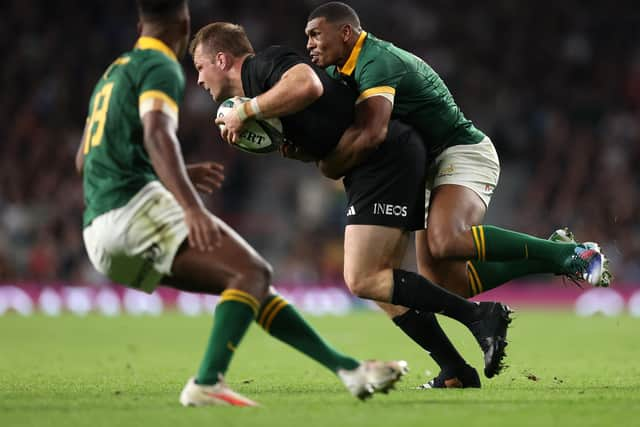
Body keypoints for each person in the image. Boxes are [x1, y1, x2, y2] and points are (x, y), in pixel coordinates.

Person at [76, 0, 409, 407]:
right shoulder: (159, 65)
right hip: (133, 212)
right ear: (182, 21)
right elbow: (158, 135)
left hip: (99, 232)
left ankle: (350, 371)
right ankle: (206, 382)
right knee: (251, 273)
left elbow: (84, 160)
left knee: (250, 286)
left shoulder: (113, 74)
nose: (197, 78)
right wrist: (190, 205)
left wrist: (175, 171)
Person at [303, 2, 612, 387]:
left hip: (461, 151)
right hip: (422, 170)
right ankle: (553, 253)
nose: (310, 44)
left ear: (345, 33)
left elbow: (373, 132)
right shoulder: (341, 70)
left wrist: (327, 164)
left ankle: (573, 254)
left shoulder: (376, 61)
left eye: (316, 34)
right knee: (449, 284)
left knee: (447, 239)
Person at [194, 22, 513, 387]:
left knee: (363, 277)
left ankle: (479, 316)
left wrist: (247, 111)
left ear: (221, 59)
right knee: (383, 285)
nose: (199, 80)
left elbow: (308, 84)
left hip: (384, 155)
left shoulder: (265, 64)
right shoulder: (270, 103)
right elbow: (322, 136)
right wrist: (291, 148)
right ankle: (455, 368)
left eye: (200, 67)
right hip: (375, 162)